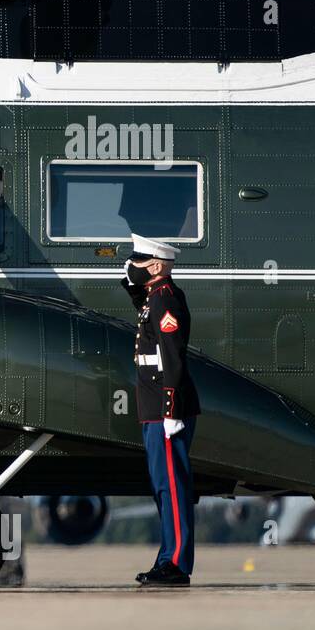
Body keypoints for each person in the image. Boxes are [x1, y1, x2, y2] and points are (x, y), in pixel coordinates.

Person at [123, 233, 201, 587]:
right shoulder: (154, 298)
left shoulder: (165, 300)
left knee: (173, 486)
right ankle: (166, 558)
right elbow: (144, 313)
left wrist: (171, 408)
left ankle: (176, 563)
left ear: (155, 265)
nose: (132, 267)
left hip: (167, 409)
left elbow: (172, 356)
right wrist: (129, 283)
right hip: (154, 408)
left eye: (138, 262)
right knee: (162, 487)